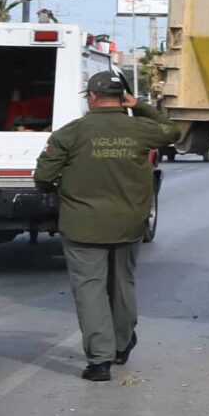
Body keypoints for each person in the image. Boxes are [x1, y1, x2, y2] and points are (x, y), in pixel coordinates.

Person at [34, 70, 181, 381]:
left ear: (91, 97)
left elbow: (43, 178)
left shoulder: (70, 133)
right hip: (129, 224)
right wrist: (139, 106)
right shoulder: (140, 129)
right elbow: (172, 131)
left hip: (83, 225)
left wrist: (62, 188)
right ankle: (122, 344)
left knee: (90, 290)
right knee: (122, 284)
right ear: (121, 98)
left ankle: (100, 361)